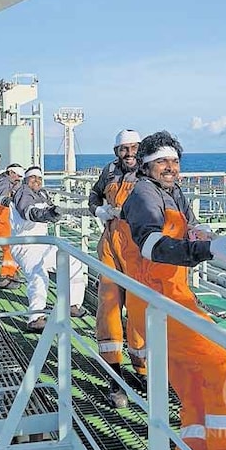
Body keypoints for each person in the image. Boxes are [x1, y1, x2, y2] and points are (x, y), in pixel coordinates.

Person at [118, 131, 226, 450]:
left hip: (174, 297)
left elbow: (187, 227)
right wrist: (207, 251)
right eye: (162, 161)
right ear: (146, 166)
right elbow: (151, 247)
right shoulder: (144, 195)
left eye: (174, 161)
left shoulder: (171, 191)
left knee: (194, 391)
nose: (170, 167)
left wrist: (204, 236)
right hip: (157, 302)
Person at [87, 129, 146, 408]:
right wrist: (98, 210)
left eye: (134, 147)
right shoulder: (109, 172)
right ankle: (114, 374)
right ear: (116, 152)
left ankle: (143, 371)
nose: (130, 153)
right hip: (111, 245)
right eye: (124, 149)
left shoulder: (149, 172)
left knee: (138, 308)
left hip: (138, 247)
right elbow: (94, 196)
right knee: (108, 306)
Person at [11, 166, 89, 333]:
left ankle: (72, 304)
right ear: (25, 180)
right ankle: (35, 318)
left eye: (39, 178)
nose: (36, 181)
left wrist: (54, 212)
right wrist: (47, 215)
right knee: (39, 275)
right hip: (25, 245)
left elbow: (49, 210)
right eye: (32, 178)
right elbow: (29, 212)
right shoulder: (22, 193)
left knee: (73, 262)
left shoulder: (42, 194)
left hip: (43, 243)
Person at [0, 163, 24, 287]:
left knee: (12, 249)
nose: (19, 180)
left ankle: (11, 274)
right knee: (10, 250)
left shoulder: (1, 180)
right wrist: (9, 201)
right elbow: (2, 196)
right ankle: (5, 278)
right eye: (18, 177)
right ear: (11, 173)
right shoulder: (4, 183)